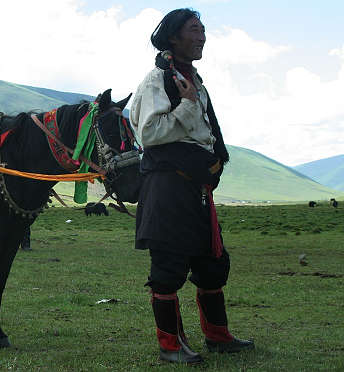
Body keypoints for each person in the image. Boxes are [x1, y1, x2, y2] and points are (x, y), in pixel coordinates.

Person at [130, 8, 254, 364]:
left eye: (203, 30)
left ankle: (217, 335)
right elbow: (150, 134)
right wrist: (185, 105)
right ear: (173, 37)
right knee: (168, 266)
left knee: (211, 261)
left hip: (196, 190)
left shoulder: (192, 79)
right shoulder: (157, 80)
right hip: (169, 188)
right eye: (194, 30)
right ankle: (170, 345)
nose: (202, 37)